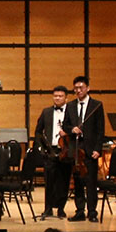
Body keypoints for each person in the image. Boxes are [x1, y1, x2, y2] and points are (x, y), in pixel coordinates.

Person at [63, 75, 104, 223]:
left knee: (91, 182)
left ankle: (92, 212)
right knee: (78, 182)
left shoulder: (97, 105)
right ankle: (80, 211)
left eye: (81, 87)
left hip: (90, 149)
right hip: (75, 149)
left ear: (88, 88)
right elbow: (65, 125)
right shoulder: (70, 105)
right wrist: (72, 129)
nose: (78, 90)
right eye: (76, 88)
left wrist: (98, 149)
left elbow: (100, 130)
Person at [33, 86, 71, 219]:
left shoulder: (71, 112)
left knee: (64, 181)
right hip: (50, 150)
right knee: (49, 181)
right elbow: (38, 132)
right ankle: (48, 209)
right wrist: (42, 148)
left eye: (60, 96)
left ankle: (61, 209)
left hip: (65, 150)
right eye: (55, 96)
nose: (57, 98)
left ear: (66, 98)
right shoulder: (46, 112)